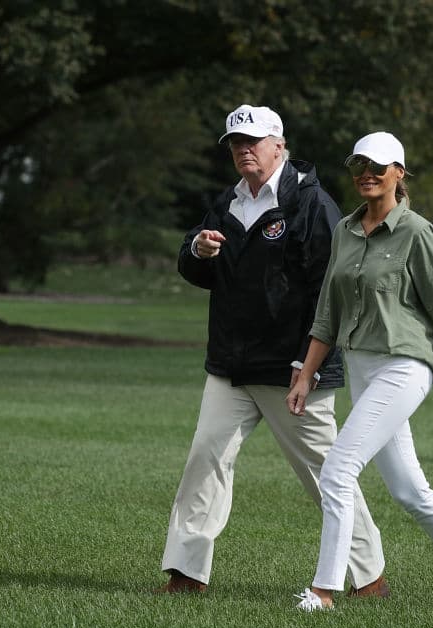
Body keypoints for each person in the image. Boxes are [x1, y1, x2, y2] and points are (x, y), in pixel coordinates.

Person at [156, 105, 390, 599]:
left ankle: (368, 577)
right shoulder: (227, 201)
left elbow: (332, 292)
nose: (243, 149)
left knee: (326, 475)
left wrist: (309, 365)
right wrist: (197, 250)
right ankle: (186, 573)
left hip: (294, 370)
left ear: (279, 146)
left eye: (253, 141)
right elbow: (200, 268)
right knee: (205, 461)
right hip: (231, 365)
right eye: (235, 143)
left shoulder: (311, 203)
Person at [286, 132, 433, 614]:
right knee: (409, 489)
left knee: (338, 470)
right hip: (361, 366)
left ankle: (323, 592)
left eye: (378, 166)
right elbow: (328, 312)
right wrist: (305, 373)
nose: (367, 173)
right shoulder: (345, 231)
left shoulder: (418, 232)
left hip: (406, 365)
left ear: (399, 174)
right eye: (359, 165)